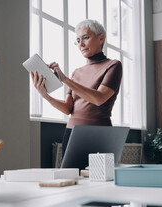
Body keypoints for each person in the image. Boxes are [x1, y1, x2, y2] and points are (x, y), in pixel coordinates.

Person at [31, 19, 123, 156]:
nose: (81, 44)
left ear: (101, 38)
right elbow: (68, 108)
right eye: (78, 41)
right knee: (71, 175)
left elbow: (99, 98)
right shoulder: (76, 72)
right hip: (72, 132)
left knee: (99, 177)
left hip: (100, 133)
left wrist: (65, 80)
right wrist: (45, 95)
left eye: (85, 38)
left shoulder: (113, 65)